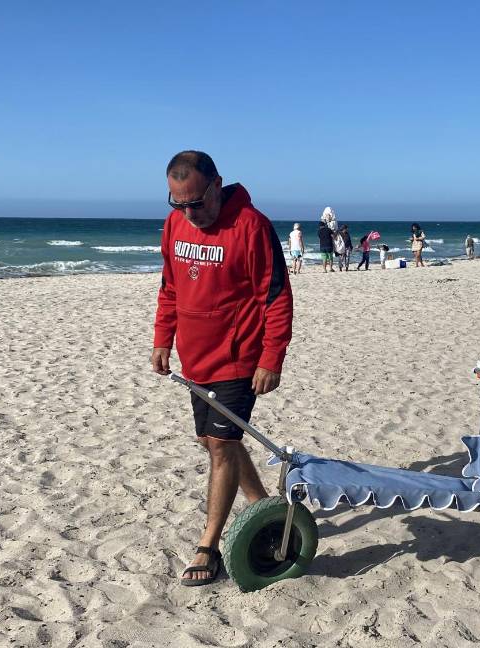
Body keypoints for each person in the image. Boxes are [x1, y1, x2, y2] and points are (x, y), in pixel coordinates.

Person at [151, 150, 292, 587]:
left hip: (238, 357)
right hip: (196, 357)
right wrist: (162, 338)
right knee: (211, 441)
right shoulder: (175, 224)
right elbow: (170, 287)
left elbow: (276, 297)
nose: (189, 213)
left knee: (221, 443)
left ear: (217, 185)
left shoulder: (252, 226)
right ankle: (261, 504)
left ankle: (208, 545)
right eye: (179, 203)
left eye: (196, 202)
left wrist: (271, 358)